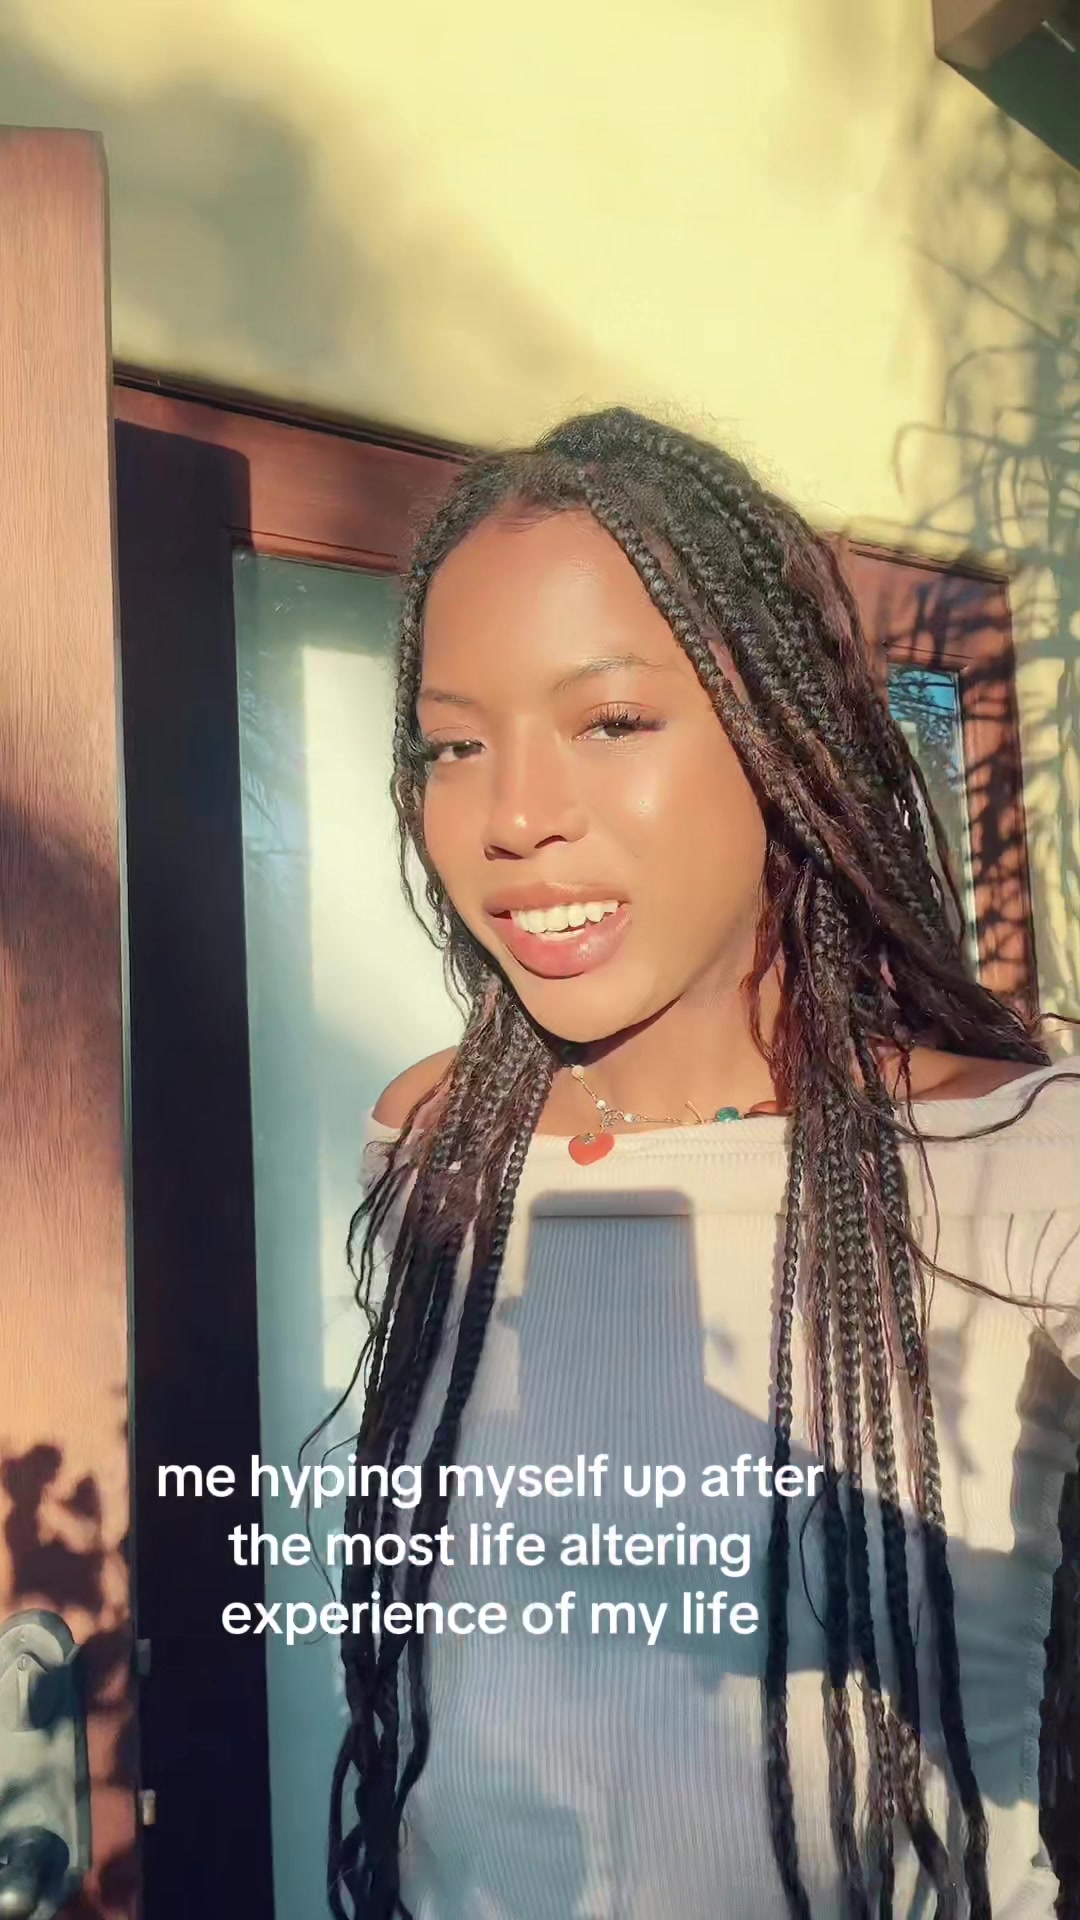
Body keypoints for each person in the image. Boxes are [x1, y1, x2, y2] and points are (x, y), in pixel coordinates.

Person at [320, 407, 1080, 1920]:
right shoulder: (437, 1135)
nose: (514, 817)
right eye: (455, 745)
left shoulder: (1014, 1154)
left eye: (610, 722)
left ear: (784, 739)